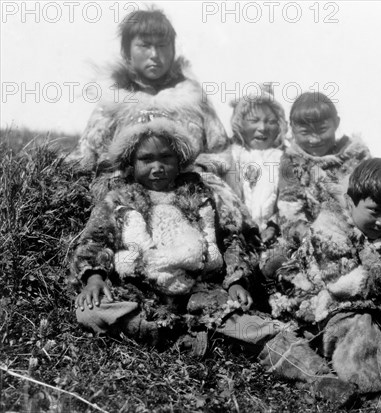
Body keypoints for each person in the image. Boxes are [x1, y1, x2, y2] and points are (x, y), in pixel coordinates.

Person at [71, 109, 262, 351]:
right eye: (146, 159)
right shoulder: (118, 199)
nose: (158, 167)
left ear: (180, 159)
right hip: (139, 292)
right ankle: (170, 334)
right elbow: (95, 240)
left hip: (199, 289)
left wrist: (236, 281)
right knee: (89, 312)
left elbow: (231, 238)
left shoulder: (200, 194)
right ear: (131, 162)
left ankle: (309, 368)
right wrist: (94, 278)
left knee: (248, 321)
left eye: (166, 157)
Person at [268, 158, 381, 413]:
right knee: (361, 325)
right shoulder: (329, 228)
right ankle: (372, 396)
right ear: (351, 203)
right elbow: (336, 282)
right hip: (331, 310)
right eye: (374, 211)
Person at [69, 9, 229, 200]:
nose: (154, 54)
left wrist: (196, 171)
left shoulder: (194, 100)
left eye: (162, 45)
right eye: (144, 45)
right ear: (127, 51)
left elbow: (222, 153)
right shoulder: (112, 102)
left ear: (173, 49)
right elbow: (84, 157)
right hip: (125, 202)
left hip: (190, 198)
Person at [260, 92, 370, 278]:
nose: (315, 140)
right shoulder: (292, 161)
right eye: (305, 133)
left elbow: (372, 197)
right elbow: (290, 211)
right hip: (311, 236)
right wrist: (313, 237)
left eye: (322, 130)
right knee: (275, 264)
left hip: (357, 231)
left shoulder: (356, 155)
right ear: (292, 129)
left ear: (336, 122)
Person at [227, 85, 287, 242]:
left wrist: (274, 226)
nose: (262, 128)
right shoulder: (229, 156)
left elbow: (290, 202)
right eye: (254, 120)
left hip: (274, 238)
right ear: (239, 123)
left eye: (271, 121)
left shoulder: (285, 158)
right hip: (236, 237)